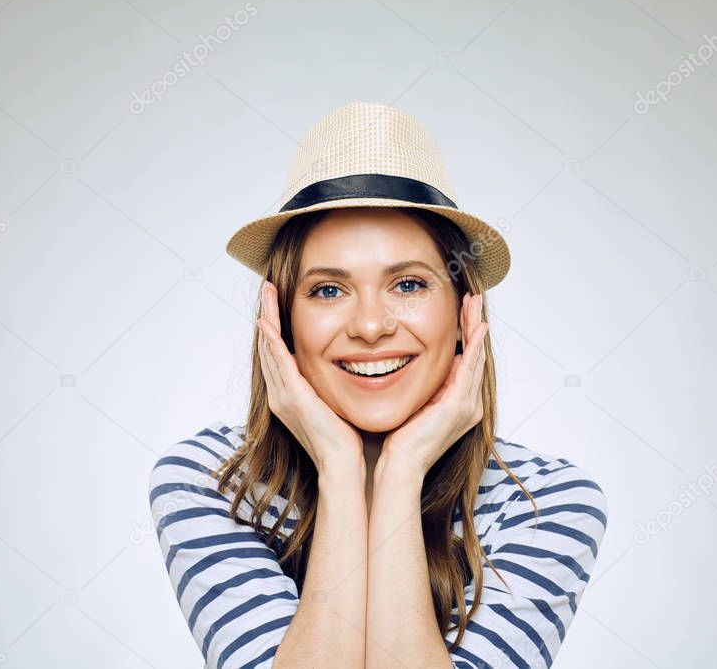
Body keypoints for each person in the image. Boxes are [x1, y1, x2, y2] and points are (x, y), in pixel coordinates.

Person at [148, 102, 608, 668]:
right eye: (327, 290)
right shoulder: (211, 482)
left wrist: (401, 469)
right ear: (280, 322)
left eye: (409, 284)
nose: (370, 326)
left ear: (466, 313)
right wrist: (341, 470)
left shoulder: (545, 504)